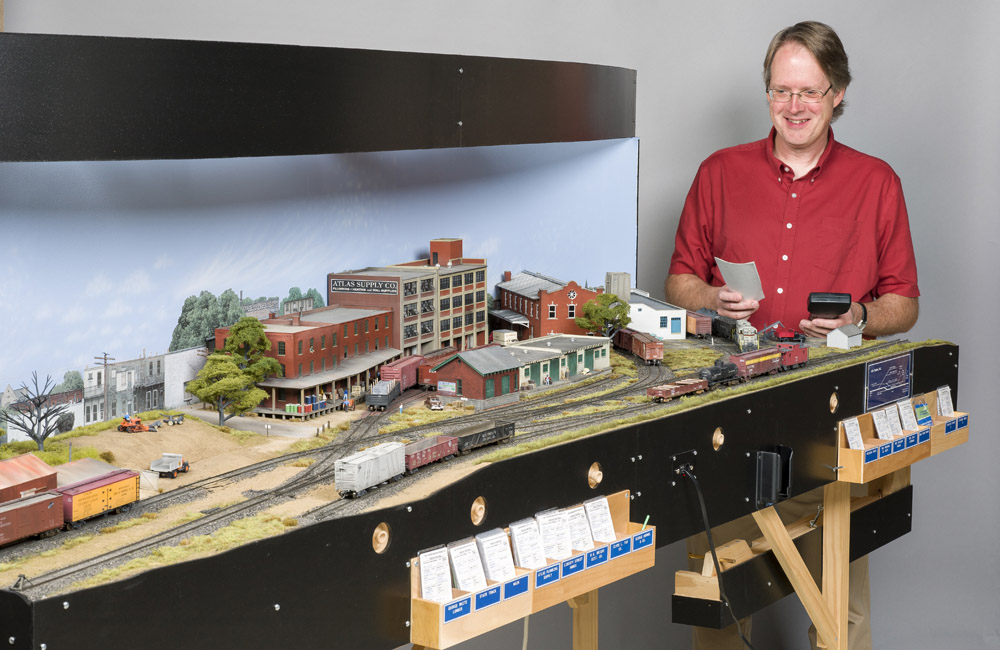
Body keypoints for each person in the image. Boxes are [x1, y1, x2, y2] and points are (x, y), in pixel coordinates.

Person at [664, 21, 920, 650]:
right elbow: (678, 281)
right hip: (732, 408)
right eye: (782, 91)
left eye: (810, 92)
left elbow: (905, 304)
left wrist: (859, 317)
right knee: (717, 597)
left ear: (837, 94)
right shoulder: (719, 173)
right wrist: (712, 299)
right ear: (768, 93)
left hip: (828, 412)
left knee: (841, 608)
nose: (795, 107)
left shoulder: (877, 181)